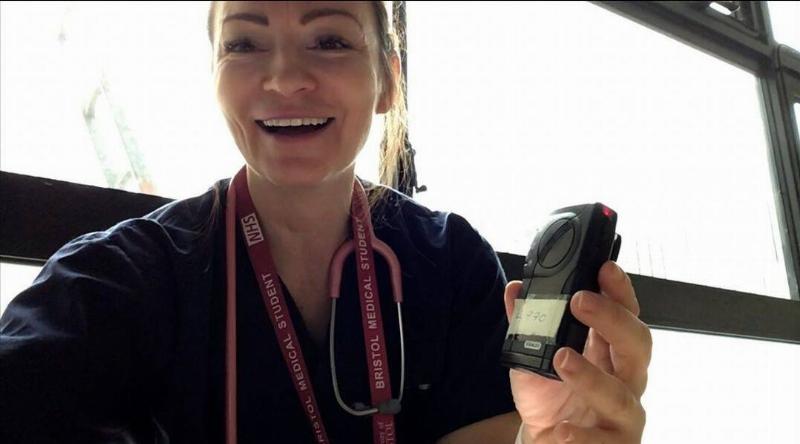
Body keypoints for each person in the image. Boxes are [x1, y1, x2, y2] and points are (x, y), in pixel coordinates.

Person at [0, 2, 652, 443]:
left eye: (331, 40)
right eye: (246, 43)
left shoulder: (450, 262)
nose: (284, 78)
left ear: (388, 81)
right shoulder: (119, 279)